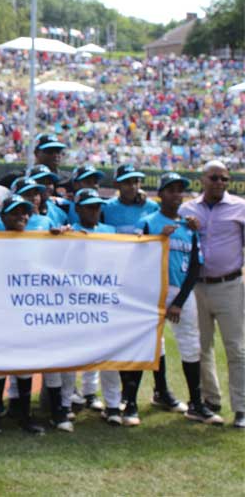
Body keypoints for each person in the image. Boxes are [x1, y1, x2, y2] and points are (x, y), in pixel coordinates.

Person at [136, 172, 223, 425]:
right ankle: (160, 392)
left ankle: (196, 404)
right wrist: (158, 238)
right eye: (171, 190)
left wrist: (179, 301)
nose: (176, 195)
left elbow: (195, 266)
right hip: (152, 291)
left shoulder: (189, 226)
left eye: (180, 190)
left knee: (190, 344)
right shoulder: (149, 222)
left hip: (182, 292)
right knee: (154, 343)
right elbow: (137, 258)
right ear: (160, 194)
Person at [102, 163, 183, 414]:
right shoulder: (107, 209)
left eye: (137, 181)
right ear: (117, 185)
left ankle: (161, 390)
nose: (133, 186)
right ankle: (126, 395)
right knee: (122, 338)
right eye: (127, 182)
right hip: (115, 281)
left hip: (145, 282)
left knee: (153, 338)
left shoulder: (151, 208)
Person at [179, 160, 245, 429]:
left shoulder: (240, 207)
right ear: (202, 179)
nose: (219, 183)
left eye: (224, 179)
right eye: (214, 178)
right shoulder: (187, 209)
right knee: (201, 347)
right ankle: (210, 400)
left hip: (229, 284)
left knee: (237, 349)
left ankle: (241, 408)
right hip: (196, 286)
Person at [0, 195, 47, 435]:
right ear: (3, 216)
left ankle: (24, 415)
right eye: (16, 212)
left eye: (25, 212)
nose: (22, 217)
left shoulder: (38, 240)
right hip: (0, 312)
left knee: (25, 366)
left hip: (26, 311)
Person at [70, 188, 126, 426]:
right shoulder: (66, 233)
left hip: (104, 301)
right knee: (70, 353)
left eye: (97, 206)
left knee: (108, 355)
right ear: (78, 209)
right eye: (89, 206)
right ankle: (66, 402)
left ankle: (112, 405)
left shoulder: (109, 231)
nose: (95, 210)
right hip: (74, 302)